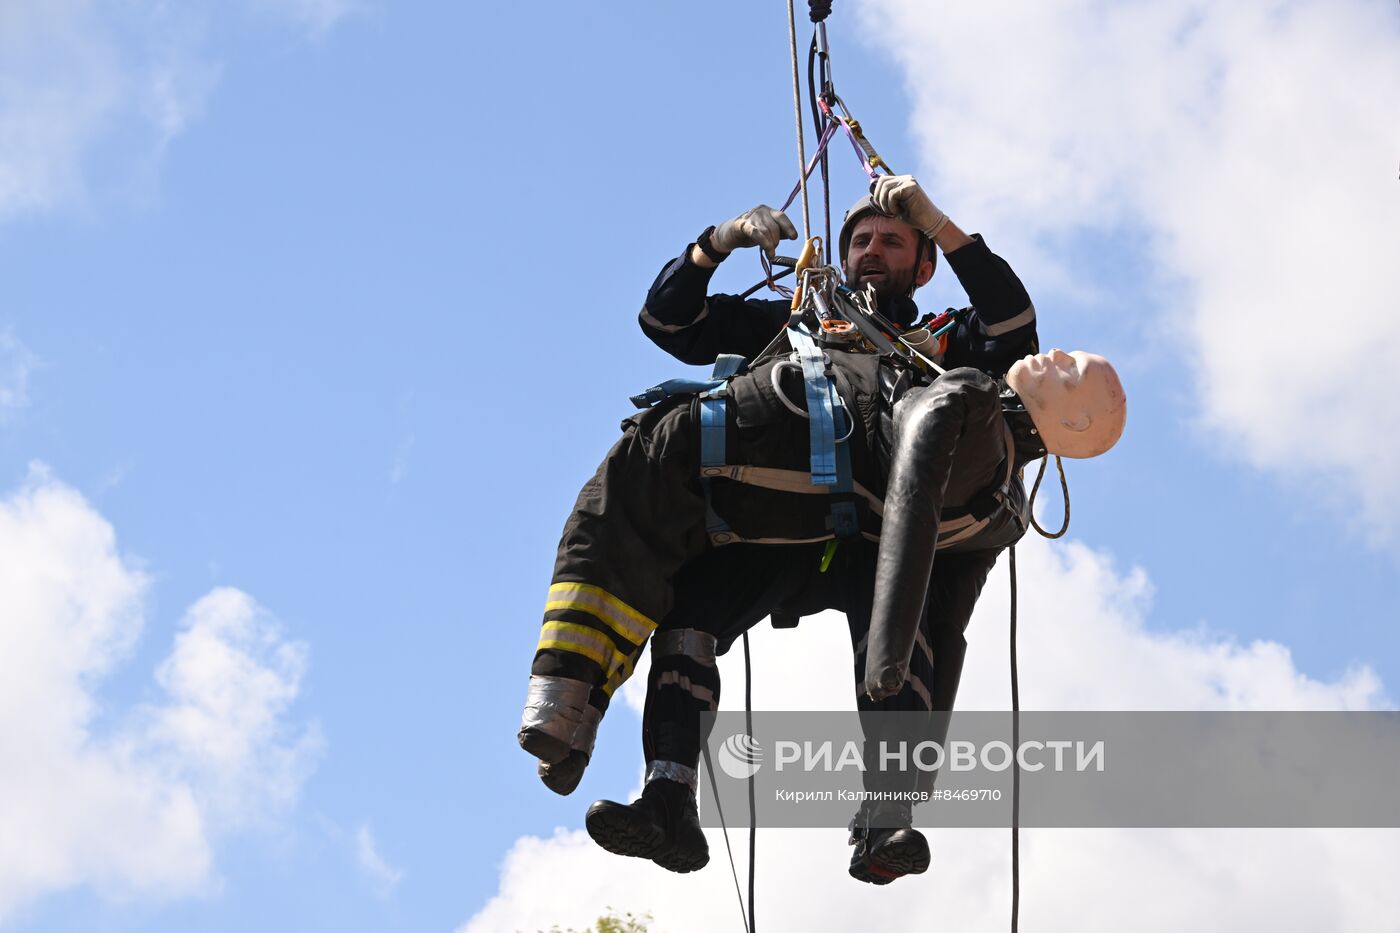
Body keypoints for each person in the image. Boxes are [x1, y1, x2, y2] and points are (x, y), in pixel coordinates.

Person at [521, 176, 1044, 881]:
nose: (870, 251)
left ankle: (885, 821)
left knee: (899, 636)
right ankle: (663, 795)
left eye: (892, 241)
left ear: (922, 267)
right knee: (691, 607)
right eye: (861, 239)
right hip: (784, 523)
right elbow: (667, 323)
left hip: (883, 530)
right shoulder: (796, 325)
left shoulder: (947, 338)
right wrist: (721, 243)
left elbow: (1017, 330)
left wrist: (941, 224)